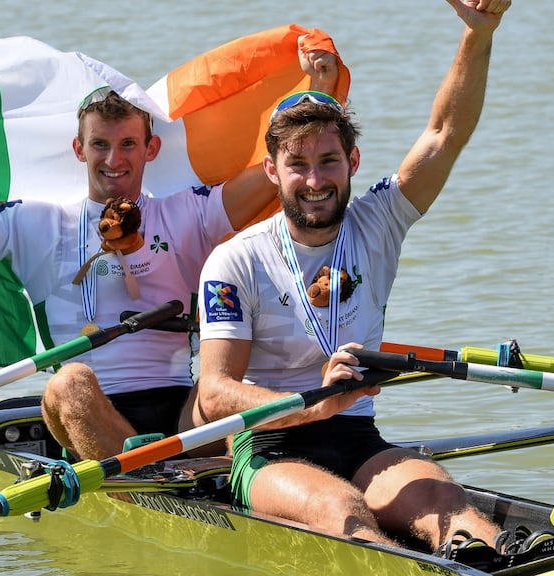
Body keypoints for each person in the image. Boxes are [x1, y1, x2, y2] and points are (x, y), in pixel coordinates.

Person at [0, 44, 339, 462]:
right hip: (88, 405)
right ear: (79, 150)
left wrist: (314, 94)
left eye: (129, 145)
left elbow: (275, 174)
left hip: (183, 406)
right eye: (101, 146)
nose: (115, 159)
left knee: (227, 382)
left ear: (150, 150)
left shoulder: (190, 212)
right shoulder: (31, 222)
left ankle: (176, 466)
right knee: (69, 381)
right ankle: (157, 472)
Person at [196, 0, 515, 559]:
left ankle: (504, 560)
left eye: (329, 161)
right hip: (268, 448)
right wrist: (313, 404)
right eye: (298, 165)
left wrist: (479, 34)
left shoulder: (378, 221)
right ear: (273, 171)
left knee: (446, 502)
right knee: (339, 512)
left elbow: (445, 133)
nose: (315, 180)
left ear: (354, 160)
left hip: (360, 441)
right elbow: (215, 392)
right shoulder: (234, 261)